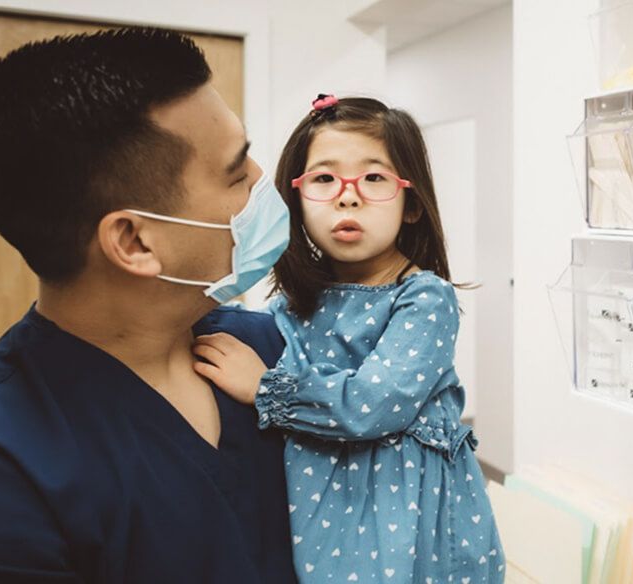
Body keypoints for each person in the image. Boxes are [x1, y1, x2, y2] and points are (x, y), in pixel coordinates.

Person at [0, 28, 297, 583]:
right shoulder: (3, 458)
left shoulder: (275, 347)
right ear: (135, 242)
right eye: (237, 171)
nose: (263, 183)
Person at [193, 95, 504, 583]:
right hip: (329, 505)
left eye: (374, 178)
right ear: (295, 199)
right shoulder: (295, 302)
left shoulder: (424, 298)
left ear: (413, 205)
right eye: (323, 178)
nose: (348, 195)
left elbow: (371, 404)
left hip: (412, 519)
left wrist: (265, 389)